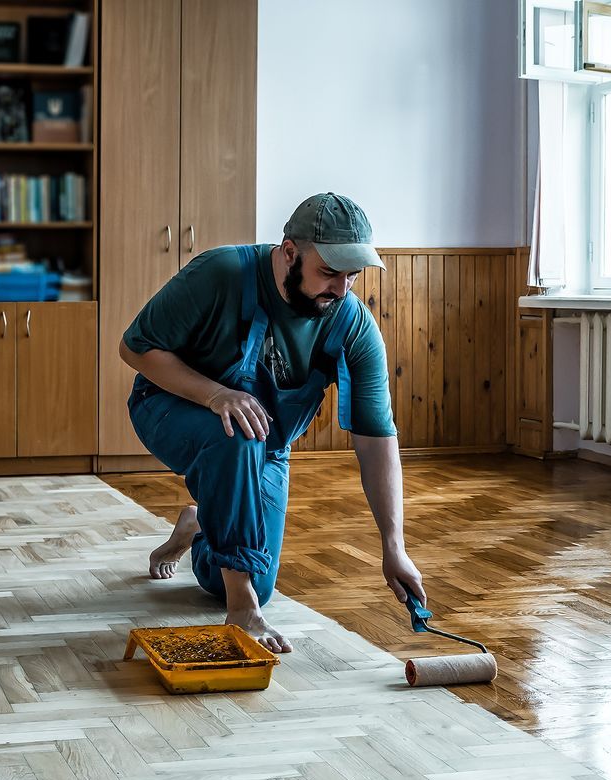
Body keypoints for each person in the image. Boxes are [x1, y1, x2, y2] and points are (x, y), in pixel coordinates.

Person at [118, 192, 424, 654]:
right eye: (329, 272)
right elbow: (134, 347)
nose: (341, 289)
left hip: (265, 446)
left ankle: (201, 525)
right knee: (236, 441)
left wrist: (394, 546)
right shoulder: (220, 273)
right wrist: (215, 394)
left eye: (352, 276)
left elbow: (376, 440)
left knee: (252, 580)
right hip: (166, 406)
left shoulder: (352, 325)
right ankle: (242, 608)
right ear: (289, 252)